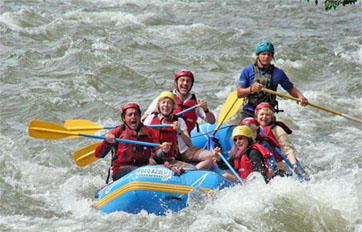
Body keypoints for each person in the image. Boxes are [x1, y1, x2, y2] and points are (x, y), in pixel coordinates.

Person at [142, 70, 217, 170]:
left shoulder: (196, 102)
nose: (185, 83)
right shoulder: (164, 99)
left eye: (188, 81)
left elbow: (212, 121)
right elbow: (145, 119)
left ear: (191, 84)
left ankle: (191, 174)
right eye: (182, 80)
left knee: (211, 157)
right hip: (163, 147)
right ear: (176, 83)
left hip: (184, 146)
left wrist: (205, 110)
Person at [95, 103, 171, 181]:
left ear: (139, 116)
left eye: (136, 114)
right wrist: (107, 142)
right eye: (130, 115)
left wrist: (163, 150)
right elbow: (99, 155)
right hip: (121, 171)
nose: (133, 117)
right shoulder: (118, 132)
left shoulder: (149, 131)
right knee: (137, 171)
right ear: (124, 118)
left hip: (142, 170)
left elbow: (157, 152)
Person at [237, 40, 309, 120]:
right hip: (250, 112)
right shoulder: (247, 70)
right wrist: (251, 89)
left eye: (269, 54)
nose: (266, 57)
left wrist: (300, 96)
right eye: (263, 54)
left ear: (272, 56)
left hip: (267, 114)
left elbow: (290, 88)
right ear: (258, 55)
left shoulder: (278, 73)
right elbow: (239, 93)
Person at [143, 91, 195, 168]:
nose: (166, 105)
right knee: (151, 165)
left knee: (193, 169)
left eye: (169, 103)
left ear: (173, 106)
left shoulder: (179, 121)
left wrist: (179, 131)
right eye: (163, 102)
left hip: (169, 159)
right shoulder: (150, 119)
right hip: (152, 157)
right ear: (159, 105)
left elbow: (189, 144)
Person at [254, 102, 299, 173]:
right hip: (261, 166)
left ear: (272, 117)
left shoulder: (277, 129)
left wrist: (294, 164)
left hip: (278, 167)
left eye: (267, 115)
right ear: (256, 117)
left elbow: (287, 149)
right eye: (261, 114)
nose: (264, 117)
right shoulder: (253, 131)